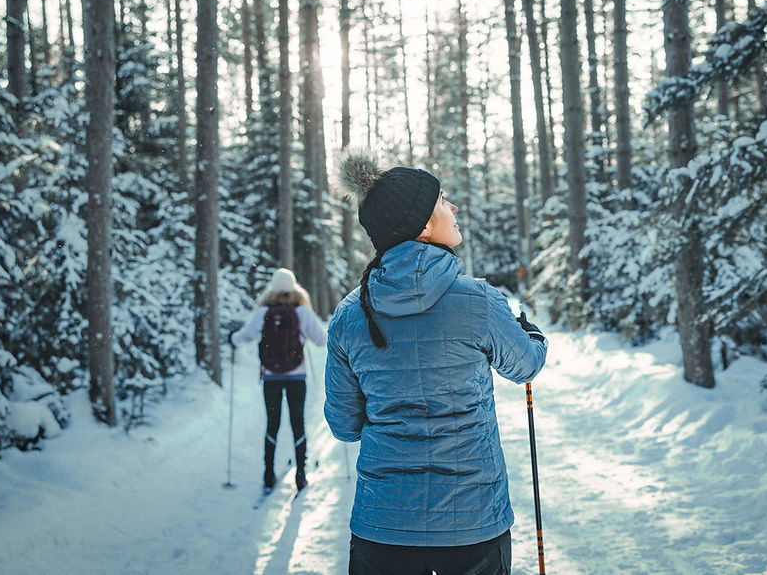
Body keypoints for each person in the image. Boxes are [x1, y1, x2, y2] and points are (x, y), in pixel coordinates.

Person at [325, 152, 547, 575]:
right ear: (424, 225)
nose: (454, 208)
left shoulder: (351, 314)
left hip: (382, 528)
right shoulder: (478, 300)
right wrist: (532, 334)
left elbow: (344, 425)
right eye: (444, 200)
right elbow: (525, 366)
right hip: (472, 527)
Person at [231, 268, 326, 492]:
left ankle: (268, 474)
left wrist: (231, 338)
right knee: (297, 422)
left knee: (272, 424)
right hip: (297, 377)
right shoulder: (302, 312)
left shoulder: (264, 312)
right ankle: (300, 475)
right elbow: (322, 340)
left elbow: (244, 336)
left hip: (271, 378)